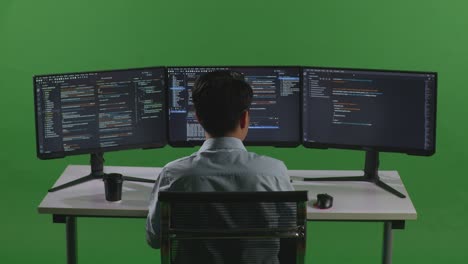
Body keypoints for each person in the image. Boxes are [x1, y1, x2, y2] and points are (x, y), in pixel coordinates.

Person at [146, 70, 294, 263]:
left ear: (198, 118)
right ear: (244, 118)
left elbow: (155, 238)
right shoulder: (274, 172)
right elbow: (291, 231)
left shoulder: (174, 175)